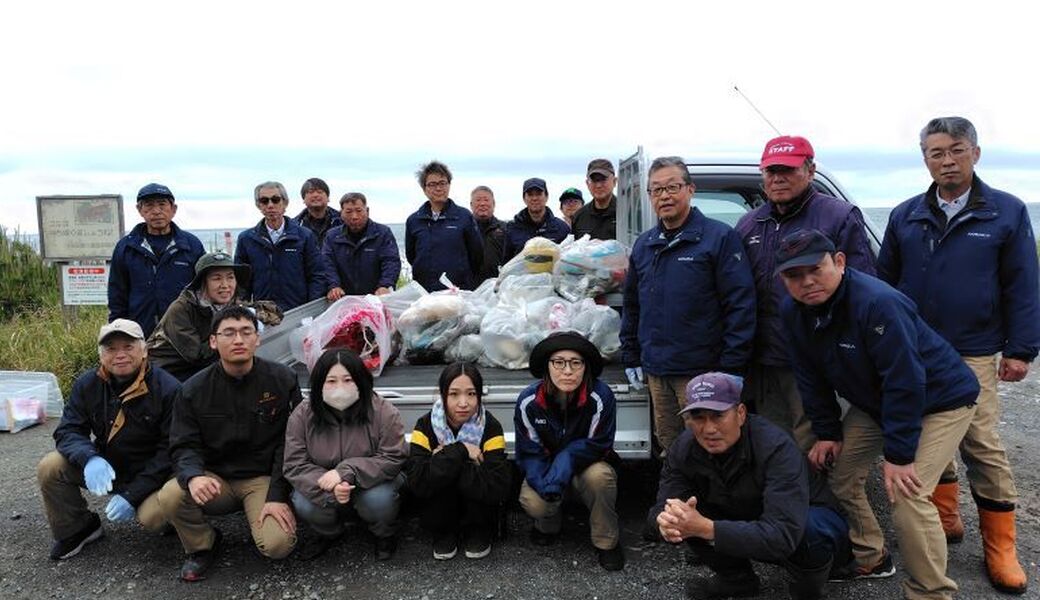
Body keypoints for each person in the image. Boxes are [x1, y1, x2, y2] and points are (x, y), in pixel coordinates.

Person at [876, 116, 1039, 595]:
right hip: (915, 349)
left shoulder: (1005, 212)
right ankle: (946, 518)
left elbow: (1022, 285)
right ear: (924, 158)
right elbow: (884, 283)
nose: (946, 161)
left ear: (975, 153)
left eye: (956, 150)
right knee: (927, 435)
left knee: (981, 444)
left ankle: (1001, 547)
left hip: (973, 351)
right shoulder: (905, 214)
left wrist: (1021, 349)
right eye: (936, 153)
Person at [778, 229, 980, 600]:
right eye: (794, 275)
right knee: (841, 475)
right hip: (878, 402)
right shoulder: (793, 312)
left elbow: (905, 381)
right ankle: (871, 555)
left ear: (838, 262)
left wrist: (900, 456)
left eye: (815, 269)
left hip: (941, 399)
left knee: (907, 494)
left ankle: (929, 592)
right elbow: (809, 376)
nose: (807, 282)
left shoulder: (878, 302)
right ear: (782, 279)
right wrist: (827, 432)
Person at [651, 372, 849, 600]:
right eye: (698, 417)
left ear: (741, 414)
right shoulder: (683, 448)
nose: (708, 429)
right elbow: (660, 507)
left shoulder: (776, 447)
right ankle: (737, 581)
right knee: (685, 514)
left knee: (809, 529)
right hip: (751, 512)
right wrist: (665, 522)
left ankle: (809, 588)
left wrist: (706, 528)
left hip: (801, 521)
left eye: (717, 416)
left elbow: (783, 535)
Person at [734, 135, 876, 452]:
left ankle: (818, 501)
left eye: (787, 169)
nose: (777, 178)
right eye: (771, 171)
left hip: (817, 357)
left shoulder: (838, 216)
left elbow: (862, 287)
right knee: (772, 440)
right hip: (765, 356)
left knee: (815, 441)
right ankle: (784, 500)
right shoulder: (749, 224)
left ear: (809, 171)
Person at [620, 156, 756, 455]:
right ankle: (678, 499)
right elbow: (633, 305)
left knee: (711, 445)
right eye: (656, 190)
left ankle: (713, 503)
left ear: (690, 189)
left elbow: (740, 305)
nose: (665, 195)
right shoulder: (645, 244)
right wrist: (631, 355)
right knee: (671, 446)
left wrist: (731, 366)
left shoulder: (718, 237)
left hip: (702, 371)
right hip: (657, 371)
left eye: (672, 187)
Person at [160, 305, 300, 581]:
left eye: (246, 331)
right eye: (229, 333)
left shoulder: (282, 379)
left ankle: (265, 514)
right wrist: (193, 476)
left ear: (257, 339)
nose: (238, 340)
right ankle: (203, 545)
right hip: (216, 479)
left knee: (277, 546)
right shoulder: (193, 389)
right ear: (213, 341)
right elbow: (183, 444)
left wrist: (277, 495)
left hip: (262, 479)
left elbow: (293, 442)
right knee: (170, 496)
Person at [37, 319, 181, 560]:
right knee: (51, 466)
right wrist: (90, 458)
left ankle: (175, 519)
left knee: (154, 519)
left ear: (144, 350)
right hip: (111, 468)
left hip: (155, 476)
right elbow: (68, 430)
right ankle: (80, 528)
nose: (120, 355)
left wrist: (132, 495)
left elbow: (170, 451)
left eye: (128, 346)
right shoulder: (87, 384)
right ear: (100, 354)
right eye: (111, 349)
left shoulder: (168, 389)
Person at [283, 348, 407, 561]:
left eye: (348, 380)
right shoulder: (302, 415)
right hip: (323, 483)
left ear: (361, 380)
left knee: (379, 499)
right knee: (303, 501)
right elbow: (295, 464)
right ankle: (329, 533)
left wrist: (346, 472)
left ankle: (383, 534)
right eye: (331, 381)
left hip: (372, 482)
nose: (340, 388)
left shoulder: (383, 411)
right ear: (319, 384)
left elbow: (393, 457)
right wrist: (330, 486)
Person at [514, 331, 625, 571]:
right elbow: (530, 452)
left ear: (586, 367)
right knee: (535, 500)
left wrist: (565, 460)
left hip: (588, 465)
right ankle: (547, 524)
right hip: (545, 465)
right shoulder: (528, 401)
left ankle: (606, 541)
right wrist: (547, 484)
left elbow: (598, 445)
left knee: (601, 478)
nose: (567, 371)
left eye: (576, 363)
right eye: (558, 362)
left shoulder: (601, 397)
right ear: (547, 366)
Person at [406, 362, 512, 560]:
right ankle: (444, 531)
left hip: (479, 509)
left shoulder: (490, 426)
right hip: (439, 511)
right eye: (454, 394)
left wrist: (444, 456)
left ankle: (478, 530)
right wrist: (462, 450)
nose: (463, 403)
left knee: (443, 469)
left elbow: (498, 485)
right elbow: (418, 482)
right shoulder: (425, 425)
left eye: (471, 394)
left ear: (479, 395)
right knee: (439, 476)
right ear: (443, 394)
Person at [108, 183, 205, 338]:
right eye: (149, 205)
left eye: (162, 205)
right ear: (140, 210)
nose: (156, 211)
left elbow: (203, 289)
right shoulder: (126, 246)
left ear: (173, 209)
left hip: (183, 330)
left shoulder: (191, 244)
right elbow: (117, 293)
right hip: (139, 330)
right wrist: (117, 329)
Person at [147, 252, 252, 381]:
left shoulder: (229, 304)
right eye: (216, 278)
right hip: (166, 373)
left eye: (230, 277)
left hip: (201, 370)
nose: (225, 285)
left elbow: (271, 310)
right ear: (203, 283)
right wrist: (230, 337)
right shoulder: (181, 309)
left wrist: (254, 315)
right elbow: (196, 355)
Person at [235, 181, 325, 311]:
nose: (270, 205)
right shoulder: (246, 239)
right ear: (259, 206)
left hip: (298, 312)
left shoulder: (305, 236)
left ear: (285, 203)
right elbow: (242, 281)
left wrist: (310, 309)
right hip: (262, 314)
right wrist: (244, 309)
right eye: (264, 201)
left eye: (276, 200)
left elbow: (317, 275)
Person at [405, 161, 484, 291]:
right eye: (432, 184)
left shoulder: (464, 216)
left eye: (442, 183)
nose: (438, 188)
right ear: (424, 189)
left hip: (457, 292)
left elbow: (477, 255)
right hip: (425, 293)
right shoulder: (414, 220)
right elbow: (412, 256)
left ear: (449, 185)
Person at [323, 192, 401, 300]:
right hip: (344, 298)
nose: (354, 216)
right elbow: (327, 263)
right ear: (341, 213)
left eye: (359, 211)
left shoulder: (382, 233)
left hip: (377, 297)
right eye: (349, 212)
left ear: (367, 211)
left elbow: (391, 261)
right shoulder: (332, 236)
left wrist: (385, 285)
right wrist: (333, 285)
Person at [502, 177, 571, 261]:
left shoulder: (562, 228)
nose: (534, 198)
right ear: (524, 198)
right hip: (520, 274)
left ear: (546, 197)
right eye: (530, 194)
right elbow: (506, 261)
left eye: (538, 194)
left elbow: (568, 261)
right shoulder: (512, 227)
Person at [571, 158, 618, 240]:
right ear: (587, 184)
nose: (598, 185)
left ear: (614, 181)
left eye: (603, 180)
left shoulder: (626, 213)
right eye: (594, 180)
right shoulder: (579, 216)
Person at [470, 185, 507, 283]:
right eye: (478, 200)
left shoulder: (505, 229)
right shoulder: (464, 229)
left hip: (497, 286)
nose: (482, 204)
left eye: (486, 200)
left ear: (493, 204)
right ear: (471, 205)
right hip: (469, 288)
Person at [293, 177, 342, 248]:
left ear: (328, 198)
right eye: (311, 192)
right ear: (303, 199)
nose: (315, 195)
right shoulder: (295, 226)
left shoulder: (342, 221)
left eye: (320, 192)